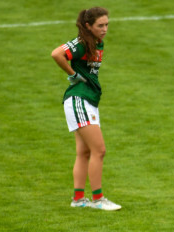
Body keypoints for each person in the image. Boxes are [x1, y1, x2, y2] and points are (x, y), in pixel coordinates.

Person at [51, 7, 121, 211]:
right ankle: (98, 199)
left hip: (87, 99)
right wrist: (73, 75)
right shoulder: (82, 43)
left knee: (84, 152)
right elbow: (57, 54)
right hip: (79, 100)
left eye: (107, 24)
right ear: (88, 26)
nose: (105, 29)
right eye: (100, 25)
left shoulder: (97, 43)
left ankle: (79, 199)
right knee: (99, 150)